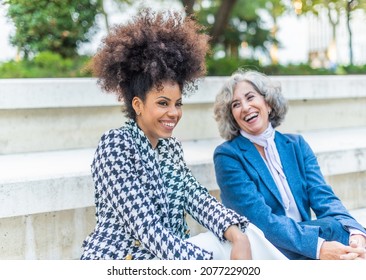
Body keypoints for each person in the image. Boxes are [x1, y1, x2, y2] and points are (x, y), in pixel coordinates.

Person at [80, 9, 286, 260]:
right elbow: (147, 230)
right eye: (163, 103)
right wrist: (208, 265)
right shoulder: (116, 145)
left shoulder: (170, 148)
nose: (173, 113)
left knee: (250, 236)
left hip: (169, 257)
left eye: (178, 104)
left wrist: (236, 232)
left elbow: (195, 196)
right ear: (137, 105)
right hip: (125, 259)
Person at [213, 69, 366, 260]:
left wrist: (356, 233)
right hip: (264, 246)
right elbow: (261, 220)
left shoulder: (296, 145)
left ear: (268, 102)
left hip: (303, 242)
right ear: (232, 116)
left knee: (348, 238)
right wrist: (319, 247)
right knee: (332, 230)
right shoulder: (228, 155)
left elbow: (324, 197)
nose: (245, 107)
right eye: (236, 105)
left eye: (250, 97)